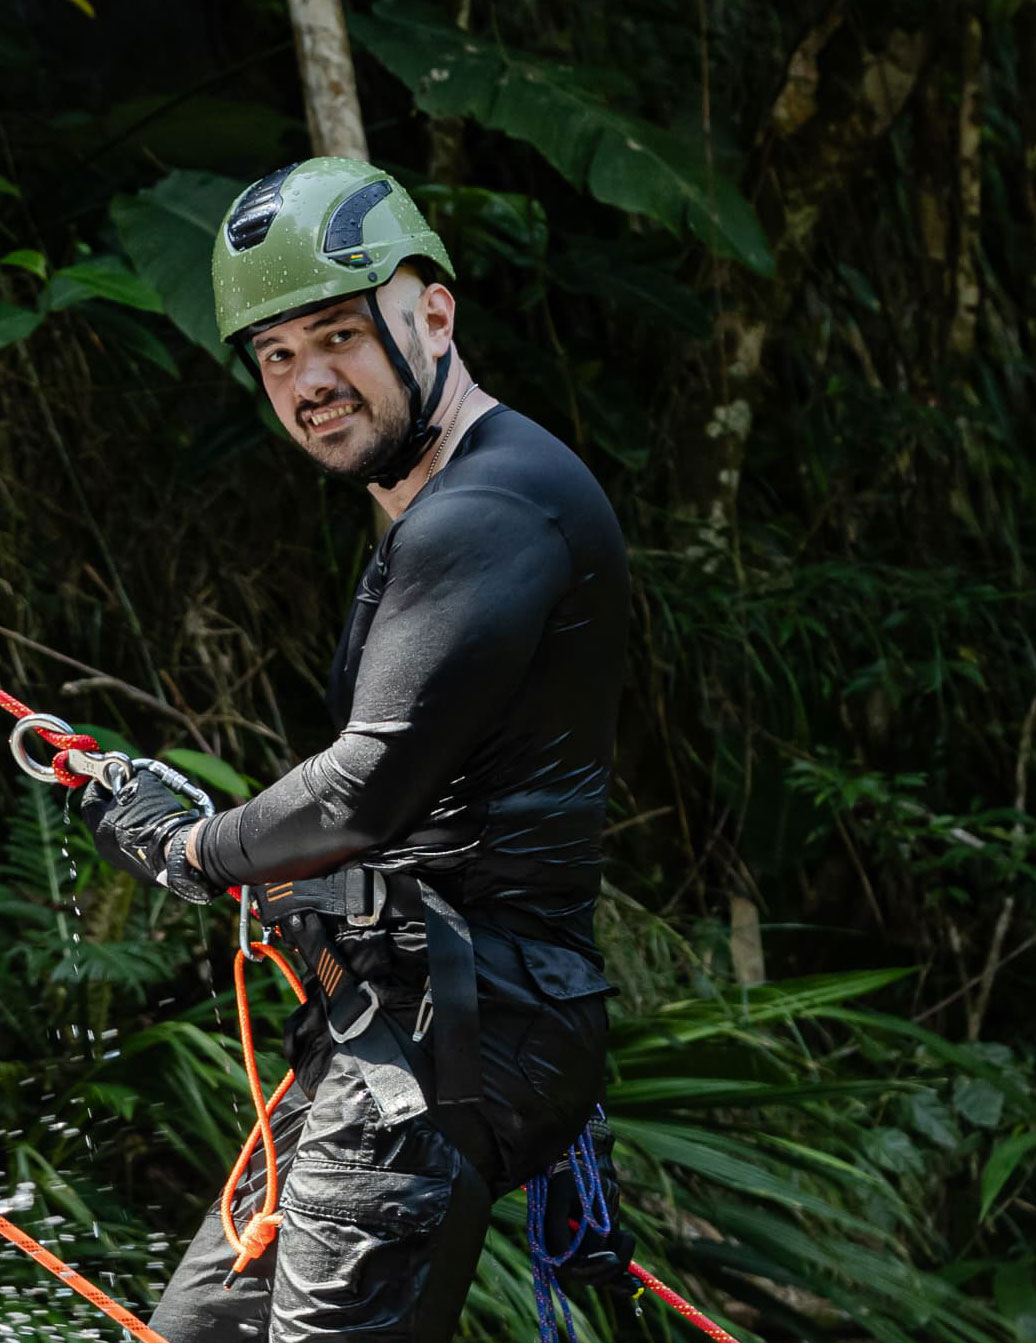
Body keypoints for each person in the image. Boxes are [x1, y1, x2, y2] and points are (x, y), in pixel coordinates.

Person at [81, 156, 631, 1342]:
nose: (308, 381)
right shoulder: (448, 504)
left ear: (431, 310)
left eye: (336, 335)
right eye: (276, 355)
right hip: (399, 1024)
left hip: (454, 1042)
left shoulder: (487, 512)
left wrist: (188, 846)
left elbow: (362, 789)